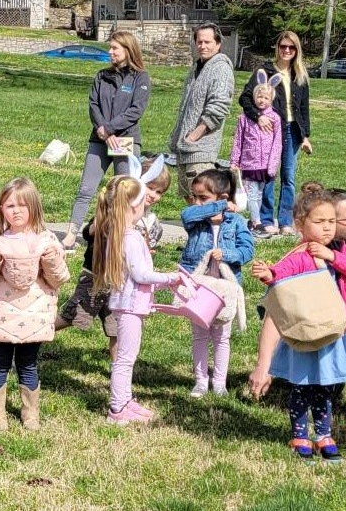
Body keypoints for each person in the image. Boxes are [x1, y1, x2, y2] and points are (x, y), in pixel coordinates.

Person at [249, 183, 346, 462]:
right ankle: (299, 433)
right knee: (303, 386)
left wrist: (333, 256)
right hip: (307, 334)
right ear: (300, 224)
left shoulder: (340, 249)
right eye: (320, 222)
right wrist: (269, 273)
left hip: (332, 332)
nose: (327, 228)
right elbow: (284, 272)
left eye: (331, 222)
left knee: (326, 387)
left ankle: (323, 434)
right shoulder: (303, 254)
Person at [0, 178, 70, 431]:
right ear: (1, 209)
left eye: (22, 205)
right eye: (10, 205)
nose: (16, 211)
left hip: (29, 314)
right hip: (7, 314)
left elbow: (58, 278)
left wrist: (50, 261)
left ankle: (30, 414)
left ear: (34, 208)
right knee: (0, 364)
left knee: (27, 364)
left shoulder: (45, 242)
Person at [56, 156, 171, 361]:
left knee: (118, 328)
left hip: (122, 284)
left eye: (159, 192)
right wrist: (102, 226)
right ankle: (30, 339)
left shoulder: (149, 221)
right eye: (150, 188)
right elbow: (89, 232)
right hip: (96, 277)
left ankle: (119, 370)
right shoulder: (114, 210)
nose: (154, 195)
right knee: (73, 316)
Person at [92, 175, 181, 425]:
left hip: (129, 304)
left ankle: (126, 400)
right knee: (125, 358)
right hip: (129, 305)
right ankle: (118, 408)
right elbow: (140, 274)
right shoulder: (129, 237)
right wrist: (170, 277)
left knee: (127, 356)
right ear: (134, 205)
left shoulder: (124, 233)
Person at [62, 31, 151, 250]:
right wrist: (103, 131)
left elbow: (135, 111)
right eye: (110, 48)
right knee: (86, 188)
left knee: (124, 192)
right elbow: (93, 105)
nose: (110, 52)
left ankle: (122, 235)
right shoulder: (101, 76)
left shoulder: (141, 77)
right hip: (99, 139)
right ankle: (71, 234)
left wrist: (111, 129)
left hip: (125, 139)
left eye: (115, 48)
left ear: (128, 50)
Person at [180, 169, 255, 397]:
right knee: (200, 335)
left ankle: (219, 382)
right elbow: (188, 215)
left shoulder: (237, 222)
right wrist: (220, 206)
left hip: (224, 287)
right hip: (200, 286)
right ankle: (201, 380)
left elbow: (247, 250)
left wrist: (229, 254)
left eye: (204, 198)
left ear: (222, 197)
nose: (197, 203)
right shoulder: (196, 220)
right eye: (195, 197)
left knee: (222, 337)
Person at [239, 31, 312, 236]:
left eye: (292, 47)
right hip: (269, 129)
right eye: (283, 46)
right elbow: (245, 98)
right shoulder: (265, 71)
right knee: (268, 174)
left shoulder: (300, 75)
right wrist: (258, 117)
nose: (287, 50)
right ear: (277, 47)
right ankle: (265, 219)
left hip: (292, 130)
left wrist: (305, 136)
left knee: (288, 176)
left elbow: (303, 108)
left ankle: (286, 221)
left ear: (297, 50)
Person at [168, 23, 235, 200]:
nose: (202, 46)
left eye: (207, 42)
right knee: (191, 203)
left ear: (218, 44)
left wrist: (193, 137)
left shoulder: (220, 68)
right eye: (199, 42)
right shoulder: (197, 68)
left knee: (203, 204)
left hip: (200, 152)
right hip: (185, 152)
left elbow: (218, 108)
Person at [229, 71, 283, 232]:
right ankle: (257, 221)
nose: (262, 100)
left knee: (259, 194)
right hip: (249, 163)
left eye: (266, 98)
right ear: (254, 97)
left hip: (265, 164)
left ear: (271, 99)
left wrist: (272, 165)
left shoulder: (275, 118)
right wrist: (235, 160)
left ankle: (253, 222)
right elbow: (239, 140)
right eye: (259, 97)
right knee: (251, 193)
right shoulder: (244, 119)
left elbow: (277, 143)